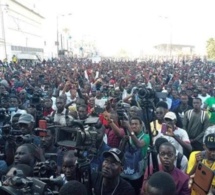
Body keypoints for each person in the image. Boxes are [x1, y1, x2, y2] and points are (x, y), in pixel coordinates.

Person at [121, 117, 150, 194]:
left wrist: (129, 128)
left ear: (141, 125)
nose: (134, 126)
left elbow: (139, 144)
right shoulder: (129, 136)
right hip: (127, 170)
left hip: (138, 172)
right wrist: (124, 141)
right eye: (132, 124)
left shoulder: (146, 136)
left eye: (136, 124)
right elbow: (121, 151)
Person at [186, 126, 215, 194]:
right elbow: (188, 177)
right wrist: (197, 164)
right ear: (204, 146)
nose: (213, 153)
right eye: (210, 149)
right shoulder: (195, 155)